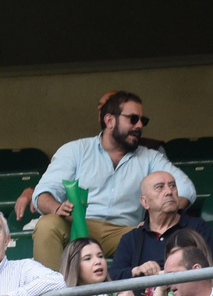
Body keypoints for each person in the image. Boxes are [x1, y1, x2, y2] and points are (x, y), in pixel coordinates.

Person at [29, 91, 197, 269]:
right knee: (47, 224)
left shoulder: (150, 158)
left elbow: (186, 189)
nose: (140, 125)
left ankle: (154, 295)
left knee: (159, 233)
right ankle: (54, 295)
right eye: (133, 119)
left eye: (143, 120)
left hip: (126, 230)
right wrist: (56, 208)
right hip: (79, 225)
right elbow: (42, 194)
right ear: (109, 121)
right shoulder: (75, 150)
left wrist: (156, 217)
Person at [107, 170, 213, 282]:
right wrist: (137, 271)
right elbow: (113, 275)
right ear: (145, 202)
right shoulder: (131, 238)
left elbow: (205, 269)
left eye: (172, 186)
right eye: (159, 187)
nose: (169, 192)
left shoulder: (197, 228)